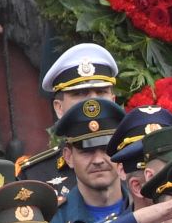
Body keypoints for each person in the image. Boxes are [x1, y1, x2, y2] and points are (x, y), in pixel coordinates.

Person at [44, 98, 129, 223]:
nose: (98, 160)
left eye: (106, 149)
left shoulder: (147, 213)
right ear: (68, 157)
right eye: (87, 151)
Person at [17, 44, 120, 187]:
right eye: (79, 93)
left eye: (101, 92)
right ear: (59, 108)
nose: (92, 102)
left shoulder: (135, 163)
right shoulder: (35, 177)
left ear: (113, 100)